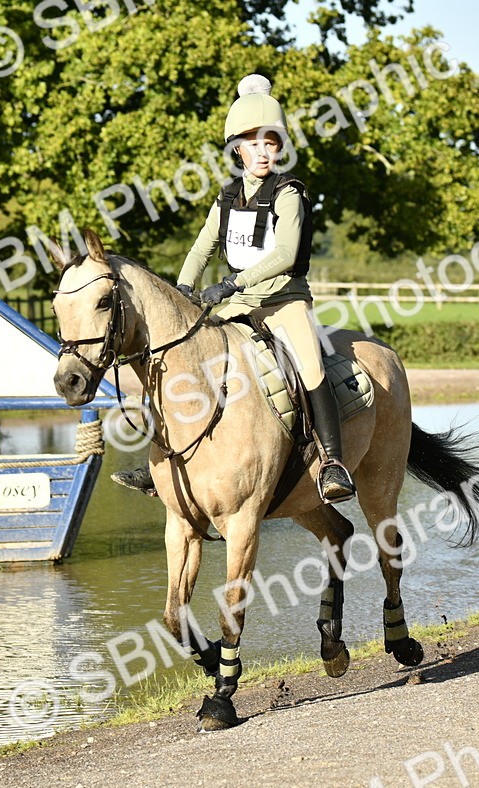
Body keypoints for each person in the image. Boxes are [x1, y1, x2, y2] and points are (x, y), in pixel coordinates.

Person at [112, 74, 356, 504]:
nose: (263, 152)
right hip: (239, 303)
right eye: (253, 144)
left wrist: (230, 284)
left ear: (279, 148)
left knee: (311, 365)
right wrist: (184, 288)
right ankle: (162, 460)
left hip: (283, 300)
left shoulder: (289, 193)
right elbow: (202, 246)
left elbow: (284, 253)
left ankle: (332, 462)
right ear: (237, 149)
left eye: (271, 143)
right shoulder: (226, 198)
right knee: (181, 359)